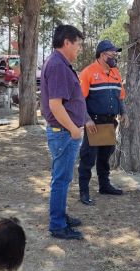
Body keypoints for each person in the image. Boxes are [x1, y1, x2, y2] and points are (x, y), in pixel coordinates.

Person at [40, 24, 86, 240]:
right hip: (64, 133)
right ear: (67, 42)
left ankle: (60, 215)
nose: (79, 49)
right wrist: (74, 130)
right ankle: (57, 225)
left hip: (64, 132)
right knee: (61, 179)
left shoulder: (60, 63)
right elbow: (56, 106)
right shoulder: (58, 65)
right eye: (77, 45)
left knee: (63, 178)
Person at [78, 40, 129, 205]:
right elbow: (80, 100)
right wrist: (86, 120)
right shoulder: (88, 72)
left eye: (115, 54)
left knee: (105, 156)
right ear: (101, 55)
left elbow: (120, 96)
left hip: (109, 123)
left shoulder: (115, 72)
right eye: (112, 54)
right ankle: (84, 191)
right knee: (88, 158)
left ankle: (104, 185)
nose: (115, 57)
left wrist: (124, 112)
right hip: (94, 123)